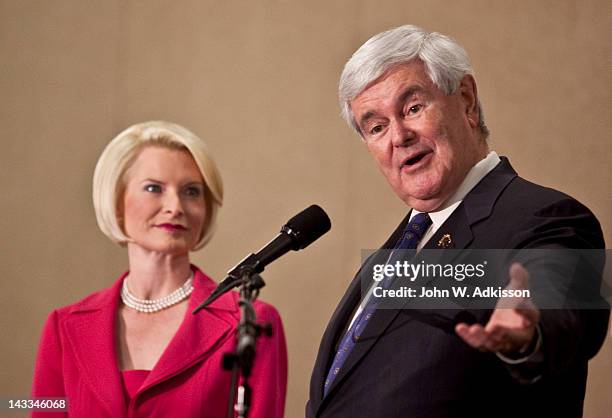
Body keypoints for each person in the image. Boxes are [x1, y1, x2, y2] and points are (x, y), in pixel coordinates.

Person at [307, 25, 608, 418]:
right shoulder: (394, 252)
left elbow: (562, 311)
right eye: (376, 127)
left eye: (413, 108)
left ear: (466, 99)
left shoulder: (549, 217)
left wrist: (528, 336)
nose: (398, 136)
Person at [31, 121, 287, 418]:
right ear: (116, 203)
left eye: (192, 191)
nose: (175, 206)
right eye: (154, 188)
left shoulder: (250, 323)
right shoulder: (64, 327)